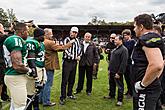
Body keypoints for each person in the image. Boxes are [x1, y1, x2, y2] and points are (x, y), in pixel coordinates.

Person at [132, 14, 164, 110]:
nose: (134, 29)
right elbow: (161, 62)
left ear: (141, 27)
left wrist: (143, 84)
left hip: (146, 89)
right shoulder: (150, 38)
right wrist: (154, 78)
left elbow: (157, 65)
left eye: (135, 26)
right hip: (150, 85)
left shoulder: (147, 38)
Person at [40, 28, 75, 106]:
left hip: (44, 64)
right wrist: (70, 43)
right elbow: (61, 48)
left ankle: (41, 99)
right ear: (46, 34)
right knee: (48, 84)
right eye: (51, 33)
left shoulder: (43, 41)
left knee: (43, 83)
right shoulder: (49, 42)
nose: (52, 35)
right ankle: (46, 101)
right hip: (50, 65)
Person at [3, 22, 33, 109]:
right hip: (16, 77)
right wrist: (29, 70)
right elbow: (17, 66)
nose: (28, 33)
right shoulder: (16, 39)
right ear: (23, 31)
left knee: (15, 105)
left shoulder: (15, 39)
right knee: (20, 106)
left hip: (14, 76)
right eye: (27, 31)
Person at [104, 35, 128, 106]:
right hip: (112, 70)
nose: (114, 40)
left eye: (116, 39)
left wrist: (119, 73)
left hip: (117, 72)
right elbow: (111, 61)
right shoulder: (115, 49)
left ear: (121, 40)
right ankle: (111, 95)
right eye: (114, 39)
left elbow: (124, 63)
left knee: (120, 86)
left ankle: (120, 100)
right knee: (111, 84)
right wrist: (109, 70)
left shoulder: (124, 50)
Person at [25, 28, 46, 110]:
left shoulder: (40, 43)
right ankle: (29, 107)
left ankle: (36, 107)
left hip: (40, 68)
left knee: (37, 91)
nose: (44, 37)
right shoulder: (32, 42)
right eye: (43, 35)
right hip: (34, 68)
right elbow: (31, 60)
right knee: (30, 92)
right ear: (38, 36)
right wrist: (35, 75)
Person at [60, 26, 81, 105]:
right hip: (67, 61)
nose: (74, 34)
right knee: (65, 80)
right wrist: (74, 56)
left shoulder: (77, 40)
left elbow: (79, 49)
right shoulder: (66, 40)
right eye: (73, 32)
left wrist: (79, 56)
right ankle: (62, 97)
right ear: (70, 32)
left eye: (75, 32)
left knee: (72, 79)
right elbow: (65, 50)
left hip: (74, 62)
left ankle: (69, 94)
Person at [122, 29, 136, 98]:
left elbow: (129, 50)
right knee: (126, 78)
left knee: (131, 78)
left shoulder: (133, 42)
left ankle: (132, 93)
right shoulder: (124, 42)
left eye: (126, 35)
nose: (124, 37)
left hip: (131, 63)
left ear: (129, 35)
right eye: (124, 35)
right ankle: (128, 90)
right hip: (125, 62)